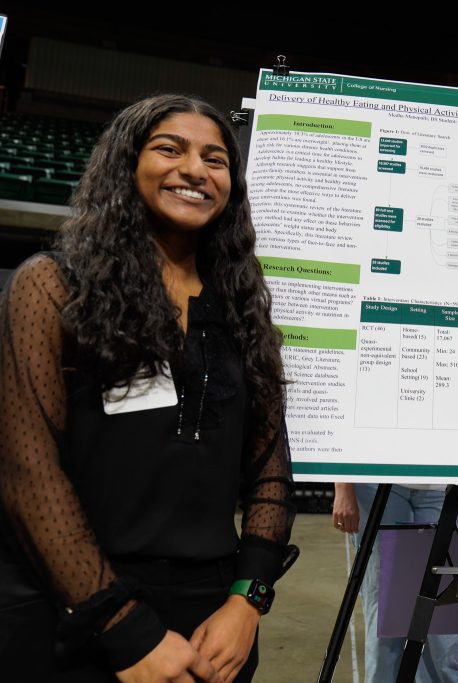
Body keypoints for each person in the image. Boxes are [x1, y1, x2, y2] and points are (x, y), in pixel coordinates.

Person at [0, 94, 294, 682]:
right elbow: (28, 473)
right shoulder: (53, 285)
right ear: (126, 164)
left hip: (215, 622)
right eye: (170, 149)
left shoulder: (240, 308)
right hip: (76, 608)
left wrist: (247, 600)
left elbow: (270, 470)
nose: (195, 170)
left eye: (216, 159)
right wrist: (125, 629)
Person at [333, 483, 458, 683]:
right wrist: (342, 486)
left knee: (441, 621)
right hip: (378, 484)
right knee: (385, 618)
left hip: (445, 485)